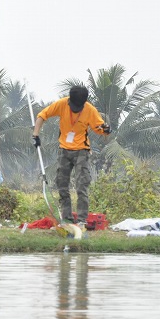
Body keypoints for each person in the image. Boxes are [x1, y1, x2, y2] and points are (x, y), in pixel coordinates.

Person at [32, 85, 110, 228]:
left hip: (82, 151)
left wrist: (105, 130)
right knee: (62, 185)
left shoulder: (90, 110)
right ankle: (67, 219)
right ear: (69, 101)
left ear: (84, 103)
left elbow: (99, 129)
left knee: (82, 186)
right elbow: (42, 116)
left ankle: (81, 221)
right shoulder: (62, 104)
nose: (75, 109)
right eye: (73, 106)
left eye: (78, 107)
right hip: (64, 150)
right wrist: (35, 135)